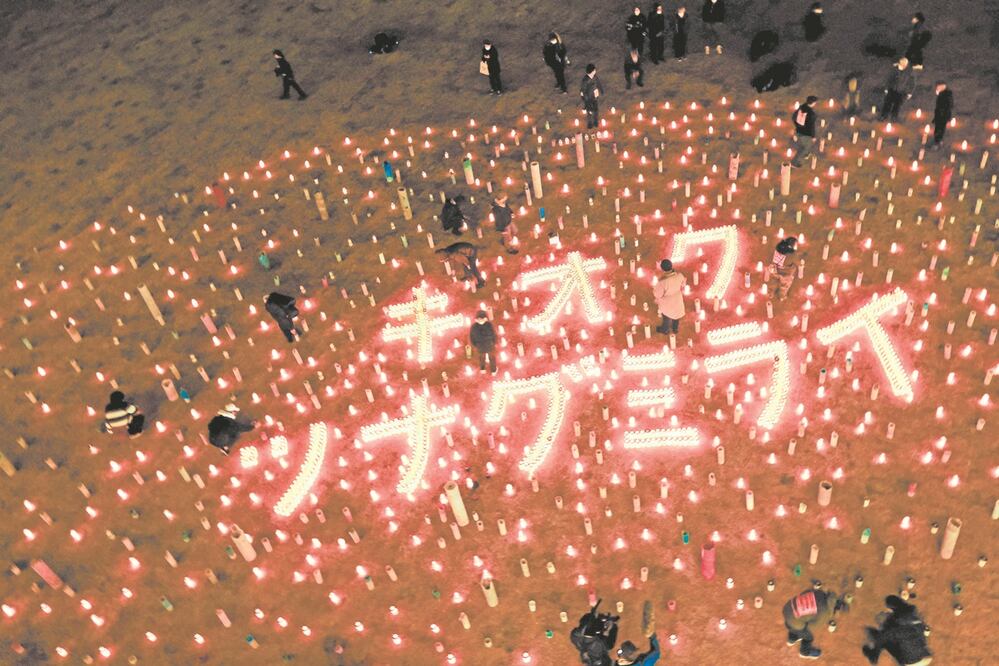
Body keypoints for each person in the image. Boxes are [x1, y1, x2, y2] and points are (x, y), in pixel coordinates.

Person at [862, 596, 933, 665]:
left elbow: (882, 637)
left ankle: (873, 656)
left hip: (913, 662)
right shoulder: (911, 611)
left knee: (882, 639)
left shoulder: (895, 628)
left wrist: (879, 627)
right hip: (926, 656)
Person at [783, 587, 850, 659]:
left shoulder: (819, 593)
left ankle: (791, 639)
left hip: (788, 608)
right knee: (808, 637)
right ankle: (804, 652)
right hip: (794, 621)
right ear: (834, 609)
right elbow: (811, 628)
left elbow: (804, 593)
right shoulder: (825, 612)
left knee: (796, 625)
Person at [570, 602, 619, 666]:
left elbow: (583, 626)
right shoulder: (603, 644)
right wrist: (609, 628)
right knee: (609, 645)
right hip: (597, 654)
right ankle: (611, 623)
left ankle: (603, 620)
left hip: (591, 652)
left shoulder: (576, 636)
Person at [653, 259, 686, 335]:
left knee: (667, 318)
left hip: (667, 304)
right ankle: (675, 328)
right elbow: (683, 285)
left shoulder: (663, 282)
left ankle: (665, 330)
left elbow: (657, 294)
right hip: (677, 300)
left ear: (662, 269)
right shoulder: (680, 276)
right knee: (676, 316)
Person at [880, 57, 916, 122]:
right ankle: (883, 117)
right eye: (903, 62)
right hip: (892, 90)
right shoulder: (894, 70)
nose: (905, 64)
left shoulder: (909, 72)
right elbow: (888, 79)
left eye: (906, 63)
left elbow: (912, 83)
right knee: (887, 104)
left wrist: (910, 92)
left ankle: (893, 118)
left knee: (897, 106)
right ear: (900, 62)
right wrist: (886, 88)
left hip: (902, 92)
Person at [767, 237, 798, 301]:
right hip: (786, 273)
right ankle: (782, 296)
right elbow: (794, 262)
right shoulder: (791, 255)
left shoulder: (778, 249)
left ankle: (770, 293)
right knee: (784, 285)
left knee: (773, 281)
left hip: (775, 269)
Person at [791, 96, 818, 167]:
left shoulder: (801, 107)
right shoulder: (811, 114)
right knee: (805, 147)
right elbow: (811, 126)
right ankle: (794, 162)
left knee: (804, 145)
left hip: (798, 130)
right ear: (813, 103)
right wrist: (813, 136)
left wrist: (797, 125)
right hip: (805, 133)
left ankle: (806, 154)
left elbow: (793, 117)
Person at [581, 65, 604, 130]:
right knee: (590, 111)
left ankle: (595, 121)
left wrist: (601, 90)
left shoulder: (595, 77)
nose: (595, 71)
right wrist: (586, 100)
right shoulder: (585, 80)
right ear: (591, 72)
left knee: (596, 110)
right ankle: (590, 123)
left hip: (595, 97)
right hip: (588, 98)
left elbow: (598, 83)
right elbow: (583, 91)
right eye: (594, 70)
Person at [931, 81, 953, 148]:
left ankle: (937, 142)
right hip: (941, 115)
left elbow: (948, 106)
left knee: (939, 129)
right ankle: (938, 141)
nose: (937, 89)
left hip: (942, 116)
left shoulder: (945, 96)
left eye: (938, 87)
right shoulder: (944, 94)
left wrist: (942, 115)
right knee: (940, 129)